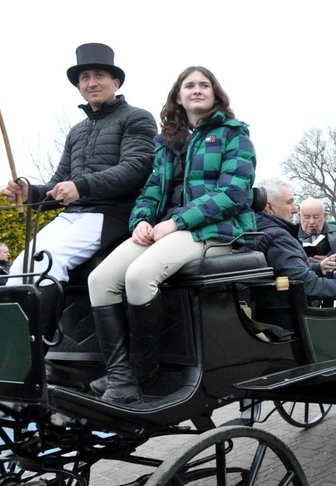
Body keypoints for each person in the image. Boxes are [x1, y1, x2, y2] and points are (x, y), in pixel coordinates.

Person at [86, 65, 257, 404]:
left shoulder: (234, 135)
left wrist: (177, 222)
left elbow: (232, 194)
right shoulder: (166, 142)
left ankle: (142, 374)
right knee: (100, 278)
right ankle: (120, 376)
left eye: (204, 85)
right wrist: (141, 221)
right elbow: (150, 191)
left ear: (215, 94)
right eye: (189, 85)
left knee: (139, 276)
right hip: (165, 230)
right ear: (178, 96)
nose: (197, 90)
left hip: (215, 231)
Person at [2, 43, 156, 294]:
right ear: (79, 88)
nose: (92, 82)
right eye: (85, 78)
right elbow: (58, 184)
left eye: (99, 76)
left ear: (116, 82)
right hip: (71, 216)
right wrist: (29, 193)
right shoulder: (76, 132)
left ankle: (43, 335)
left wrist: (81, 187)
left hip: (111, 214)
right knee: (20, 268)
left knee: (48, 262)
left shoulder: (137, 118)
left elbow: (136, 168)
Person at [252, 177, 336, 304]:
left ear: (325, 216)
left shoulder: (259, 231)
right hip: (298, 314)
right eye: (289, 202)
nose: (294, 208)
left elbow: (295, 276)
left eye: (316, 217)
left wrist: (319, 267)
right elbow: (307, 285)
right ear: (269, 207)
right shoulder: (278, 237)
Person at [297, 197, 336, 263]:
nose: (311, 222)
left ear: (325, 216)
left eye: (316, 217)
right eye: (307, 217)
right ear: (299, 216)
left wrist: (333, 261)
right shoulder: (290, 236)